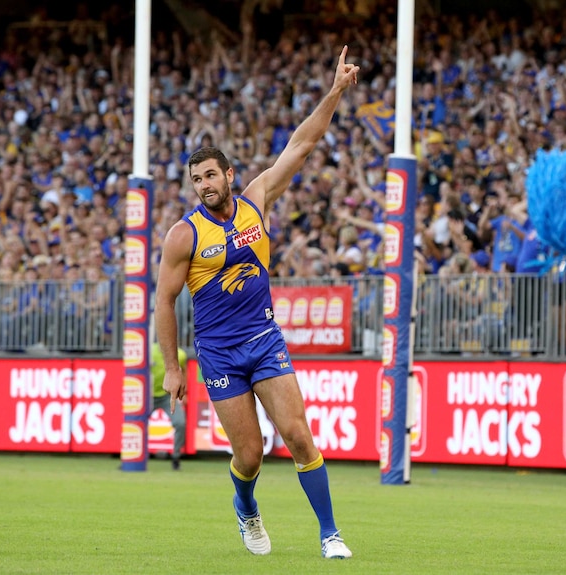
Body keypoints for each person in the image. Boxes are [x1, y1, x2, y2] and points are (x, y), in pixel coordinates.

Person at [154, 46, 358, 560]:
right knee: (249, 454)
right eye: (195, 180)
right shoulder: (184, 235)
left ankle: (330, 534)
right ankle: (246, 509)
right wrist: (172, 367)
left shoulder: (255, 200)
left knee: (298, 436)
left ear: (228, 174)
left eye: (210, 176)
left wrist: (333, 93)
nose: (203, 186)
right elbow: (164, 301)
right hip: (219, 353)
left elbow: (303, 144)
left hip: (264, 341)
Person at [150, 341, 186, 470]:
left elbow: (184, 372)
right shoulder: (149, 352)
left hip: (167, 397)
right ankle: (134, 457)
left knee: (180, 423)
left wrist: (184, 392)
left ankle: (176, 458)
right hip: (148, 396)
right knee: (135, 424)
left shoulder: (180, 355)